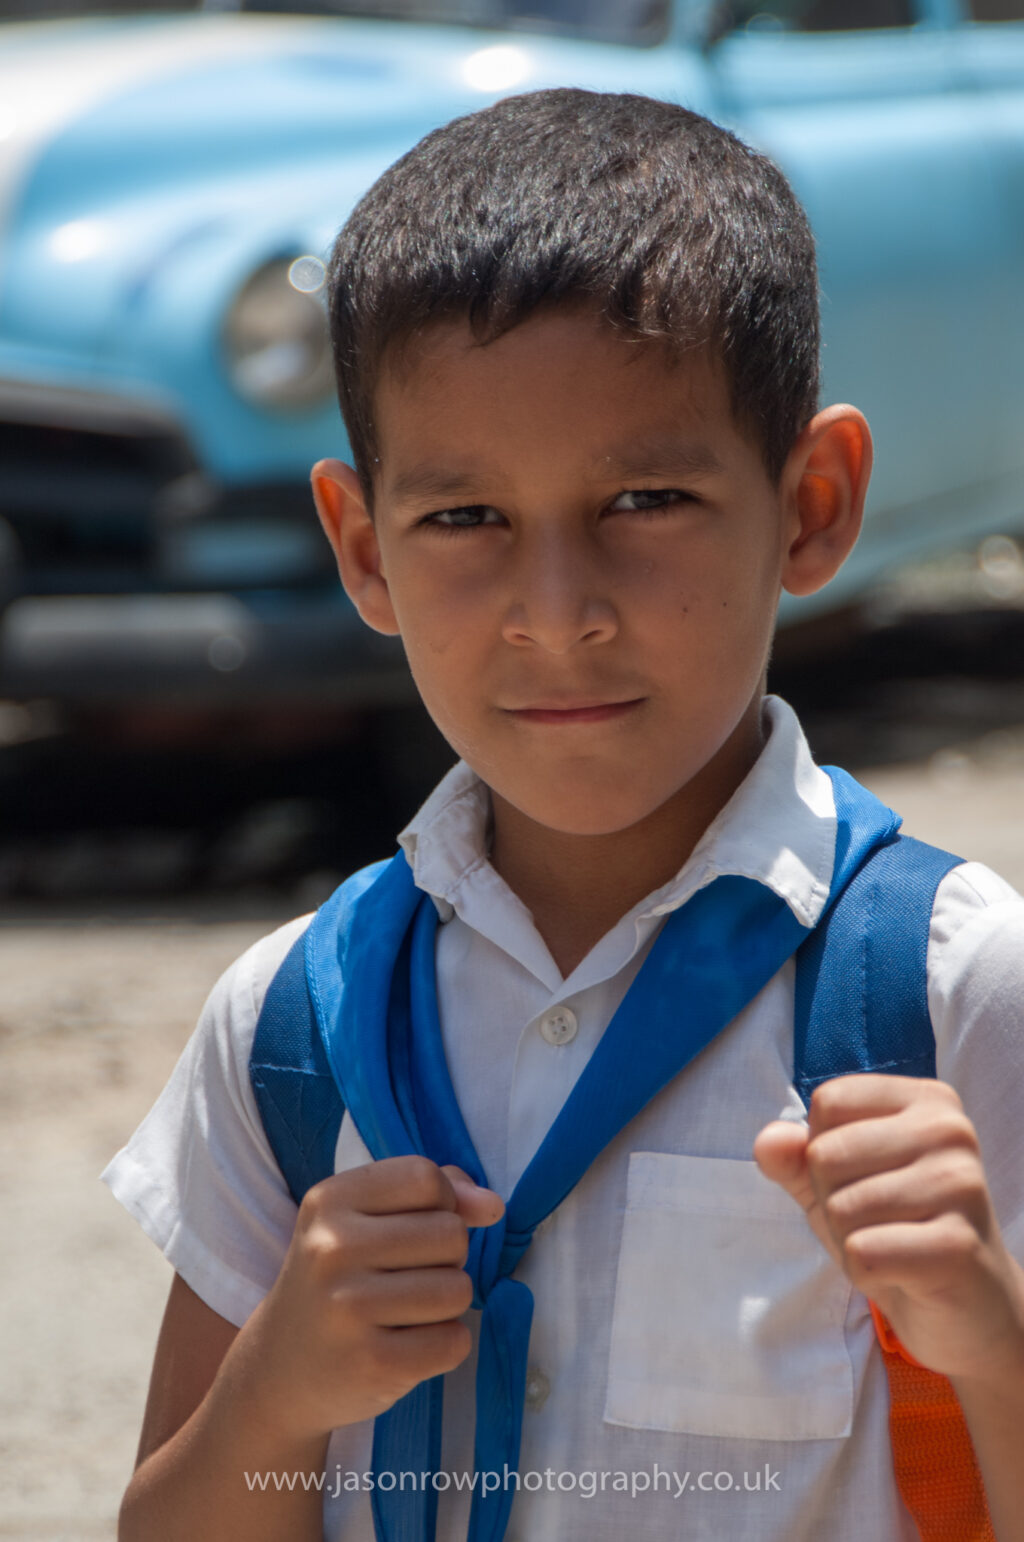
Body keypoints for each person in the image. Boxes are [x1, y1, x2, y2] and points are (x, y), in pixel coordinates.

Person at [102, 90, 1024, 1542]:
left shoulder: (951, 991)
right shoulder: (295, 1022)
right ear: (362, 547)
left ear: (813, 503)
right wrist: (273, 1399)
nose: (559, 615)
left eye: (645, 497)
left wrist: (991, 1340)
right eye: (466, 520)